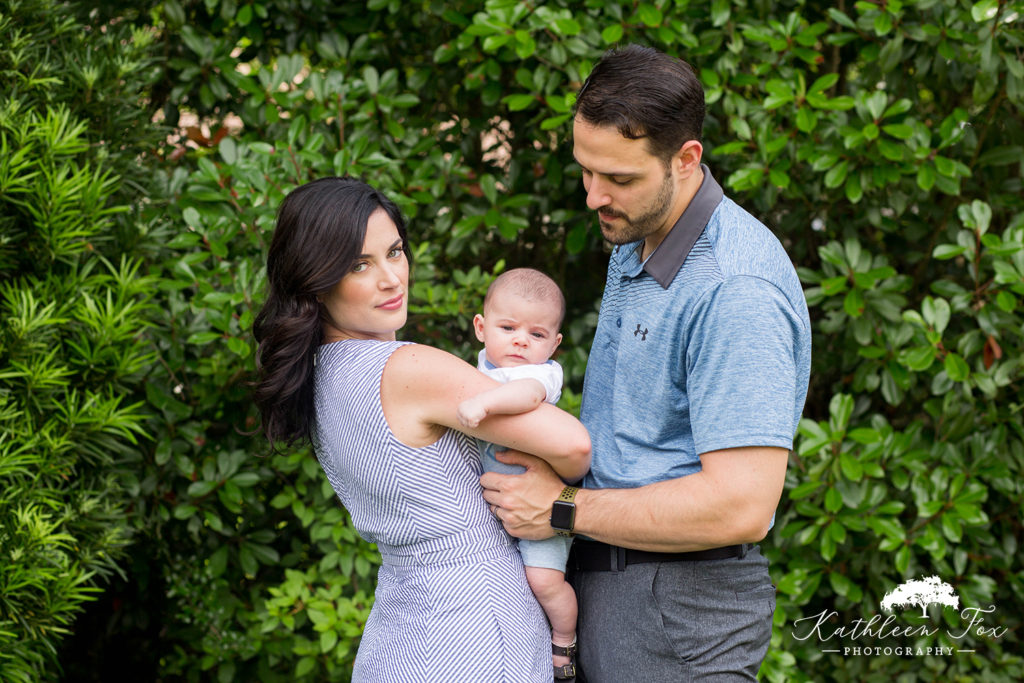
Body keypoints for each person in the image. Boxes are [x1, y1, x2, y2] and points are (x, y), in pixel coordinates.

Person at [479, 44, 812, 681]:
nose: (593, 196)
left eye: (620, 179)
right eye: (586, 171)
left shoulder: (736, 290)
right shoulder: (638, 236)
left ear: (686, 160)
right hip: (616, 586)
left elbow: (741, 505)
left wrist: (562, 509)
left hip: (680, 609)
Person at [251, 176, 591, 682]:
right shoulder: (407, 368)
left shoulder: (319, 377)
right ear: (315, 281)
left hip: (400, 630)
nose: (391, 277)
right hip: (476, 628)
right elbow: (573, 444)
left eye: (395, 251)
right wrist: (556, 505)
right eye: (358, 264)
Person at [456, 268, 579, 681]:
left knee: (544, 581)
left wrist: (485, 405)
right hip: (496, 511)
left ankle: (564, 639)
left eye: (537, 334)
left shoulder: (541, 375)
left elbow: (524, 396)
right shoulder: (476, 370)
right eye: (507, 327)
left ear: (555, 344)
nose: (521, 340)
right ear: (481, 326)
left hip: (539, 513)